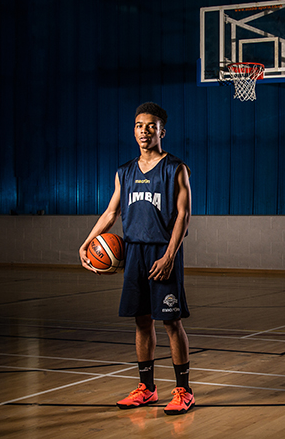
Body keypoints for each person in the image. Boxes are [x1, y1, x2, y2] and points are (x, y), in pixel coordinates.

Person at [79, 102, 194, 415]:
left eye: (151, 126)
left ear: (162, 132)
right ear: (134, 130)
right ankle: (147, 388)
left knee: (170, 321)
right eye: (139, 125)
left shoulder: (175, 168)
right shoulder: (125, 171)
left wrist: (170, 255)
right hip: (133, 253)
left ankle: (183, 391)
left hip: (162, 252)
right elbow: (112, 212)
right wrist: (88, 241)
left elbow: (183, 216)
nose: (145, 131)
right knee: (141, 321)